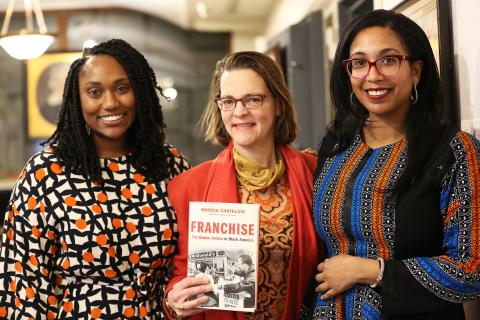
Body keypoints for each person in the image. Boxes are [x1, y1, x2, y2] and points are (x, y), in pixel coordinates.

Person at [308, 9, 480, 320]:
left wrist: (372, 271)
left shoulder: (455, 151)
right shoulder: (335, 144)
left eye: (388, 60)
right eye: (359, 63)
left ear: (416, 70)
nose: (373, 75)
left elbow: (470, 272)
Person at [0, 39, 189, 319]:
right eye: (94, 92)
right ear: (78, 100)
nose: (110, 102)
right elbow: (21, 281)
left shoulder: (170, 165)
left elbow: (186, 262)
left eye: (122, 88)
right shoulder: (47, 173)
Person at [164, 51, 322, 319]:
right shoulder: (188, 187)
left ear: (278, 104)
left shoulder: (314, 173)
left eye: (253, 99)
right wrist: (174, 301)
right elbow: (180, 276)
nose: (239, 111)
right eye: (228, 101)